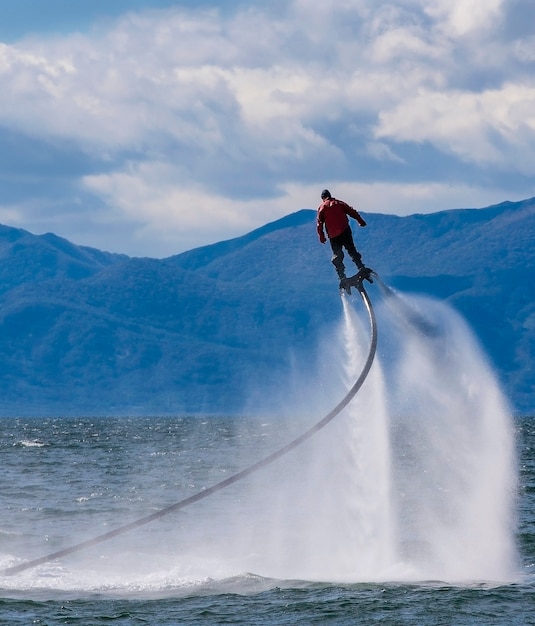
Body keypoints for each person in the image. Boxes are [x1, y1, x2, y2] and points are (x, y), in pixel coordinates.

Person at [316, 189, 368, 287]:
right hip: (345, 231)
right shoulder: (339, 203)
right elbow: (352, 211)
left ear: (323, 199)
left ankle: (341, 276)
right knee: (351, 250)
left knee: (337, 255)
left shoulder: (322, 207)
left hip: (333, 235)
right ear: (330, 195)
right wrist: (360, 221)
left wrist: (321, 236)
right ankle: (361, 267)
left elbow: (319, 224)